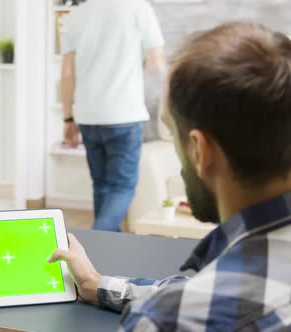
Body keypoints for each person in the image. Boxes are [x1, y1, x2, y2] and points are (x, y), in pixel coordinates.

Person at [49, 22, 291, 330]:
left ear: (200, 151)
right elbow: (205, 292)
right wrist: (96, 284)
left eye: (173, 130)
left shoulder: (166, 321)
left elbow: (194, 304)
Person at [61, 0, 167, 231]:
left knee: (102, 186)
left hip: (87, 116)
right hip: (124, 114)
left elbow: (67, 74)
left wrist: (68, 119)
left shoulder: (75, 16)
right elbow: (156, 64)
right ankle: (96, 241)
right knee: (122, 187)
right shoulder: (138, 8)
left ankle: (103, 256)